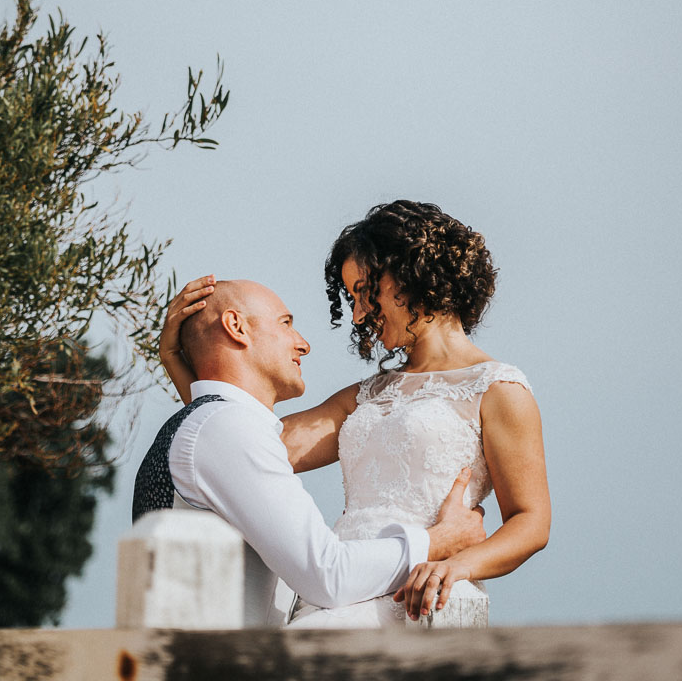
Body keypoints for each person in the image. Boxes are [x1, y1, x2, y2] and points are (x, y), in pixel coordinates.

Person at [160, 200, 550, 627]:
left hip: (421, 592)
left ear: (411, 273)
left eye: (364, 292)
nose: (358, 314)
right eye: (351, 299)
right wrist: (182, 364)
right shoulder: (363, 396)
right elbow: (246, 448)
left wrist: (459, 564)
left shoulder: (499, 390)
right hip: (343, 587)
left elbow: (531, 522)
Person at [134, 277, 486, 625]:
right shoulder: (226, 427)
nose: (303, 344)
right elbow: (327, 576)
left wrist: (178, 362)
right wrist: (441, 540)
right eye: (286, 323)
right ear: (236, 326)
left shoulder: (210, 426)